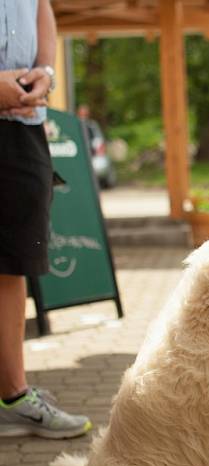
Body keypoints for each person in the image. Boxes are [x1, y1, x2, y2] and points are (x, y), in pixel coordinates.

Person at [0, 0, 92, 439]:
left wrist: (47, 72)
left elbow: (41, 8)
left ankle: (13, 398)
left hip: (24, 125)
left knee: (13, 262)